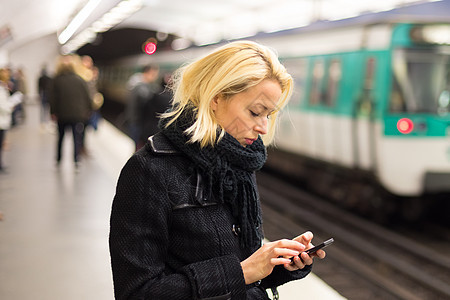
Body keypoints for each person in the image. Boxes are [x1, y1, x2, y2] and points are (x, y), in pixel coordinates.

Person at [109, 41, 326, 300]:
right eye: (255, 112)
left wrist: (278, 263)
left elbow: (241, 272)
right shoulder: (150, 171)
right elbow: (137, 293)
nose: (264, 128)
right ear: (216, 98)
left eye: (268, 115)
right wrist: (243, 272)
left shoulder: (237, 164)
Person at [49, 55, 93, 168]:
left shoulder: (56, 80)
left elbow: (52, 99)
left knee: (60, 138)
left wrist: (53, 113)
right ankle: (76, 160)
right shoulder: (80, 80)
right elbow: (87, 97)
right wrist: (87, 111)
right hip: (77, 115)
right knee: (76, 138)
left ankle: (58, 160)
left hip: (61, 115)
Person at [125, 64, 159, 150]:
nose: (155, 77)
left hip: (135, 121)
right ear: (148, 73)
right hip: (138, 122)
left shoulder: (138, 85)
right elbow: (147, 102)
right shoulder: (141, 88)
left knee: (137, 147)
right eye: (154, 74)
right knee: (138, 148)